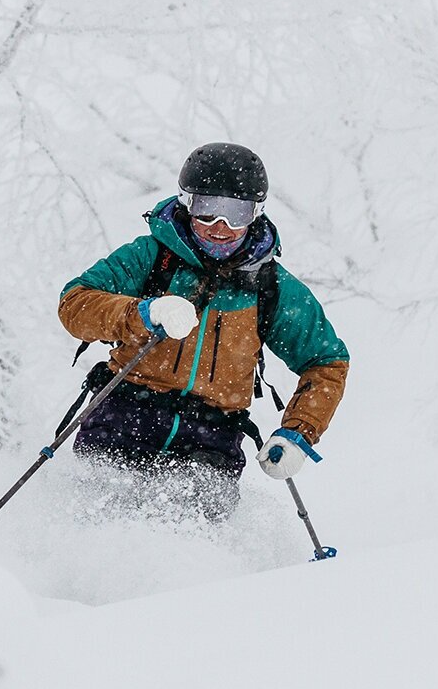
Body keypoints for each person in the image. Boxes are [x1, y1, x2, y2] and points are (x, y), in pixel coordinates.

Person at [57, 142, 349, 521]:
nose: (221, 228)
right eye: (207, 210)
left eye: (236, 213)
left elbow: (327, 361)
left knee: (191, 540)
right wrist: (141, 313)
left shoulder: (270, 287)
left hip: (211, 438)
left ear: (256, 213)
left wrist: (299, 431)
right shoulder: (152, 258)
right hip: (124, 417)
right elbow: (75, 304)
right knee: (95, 522)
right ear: (186, 203)